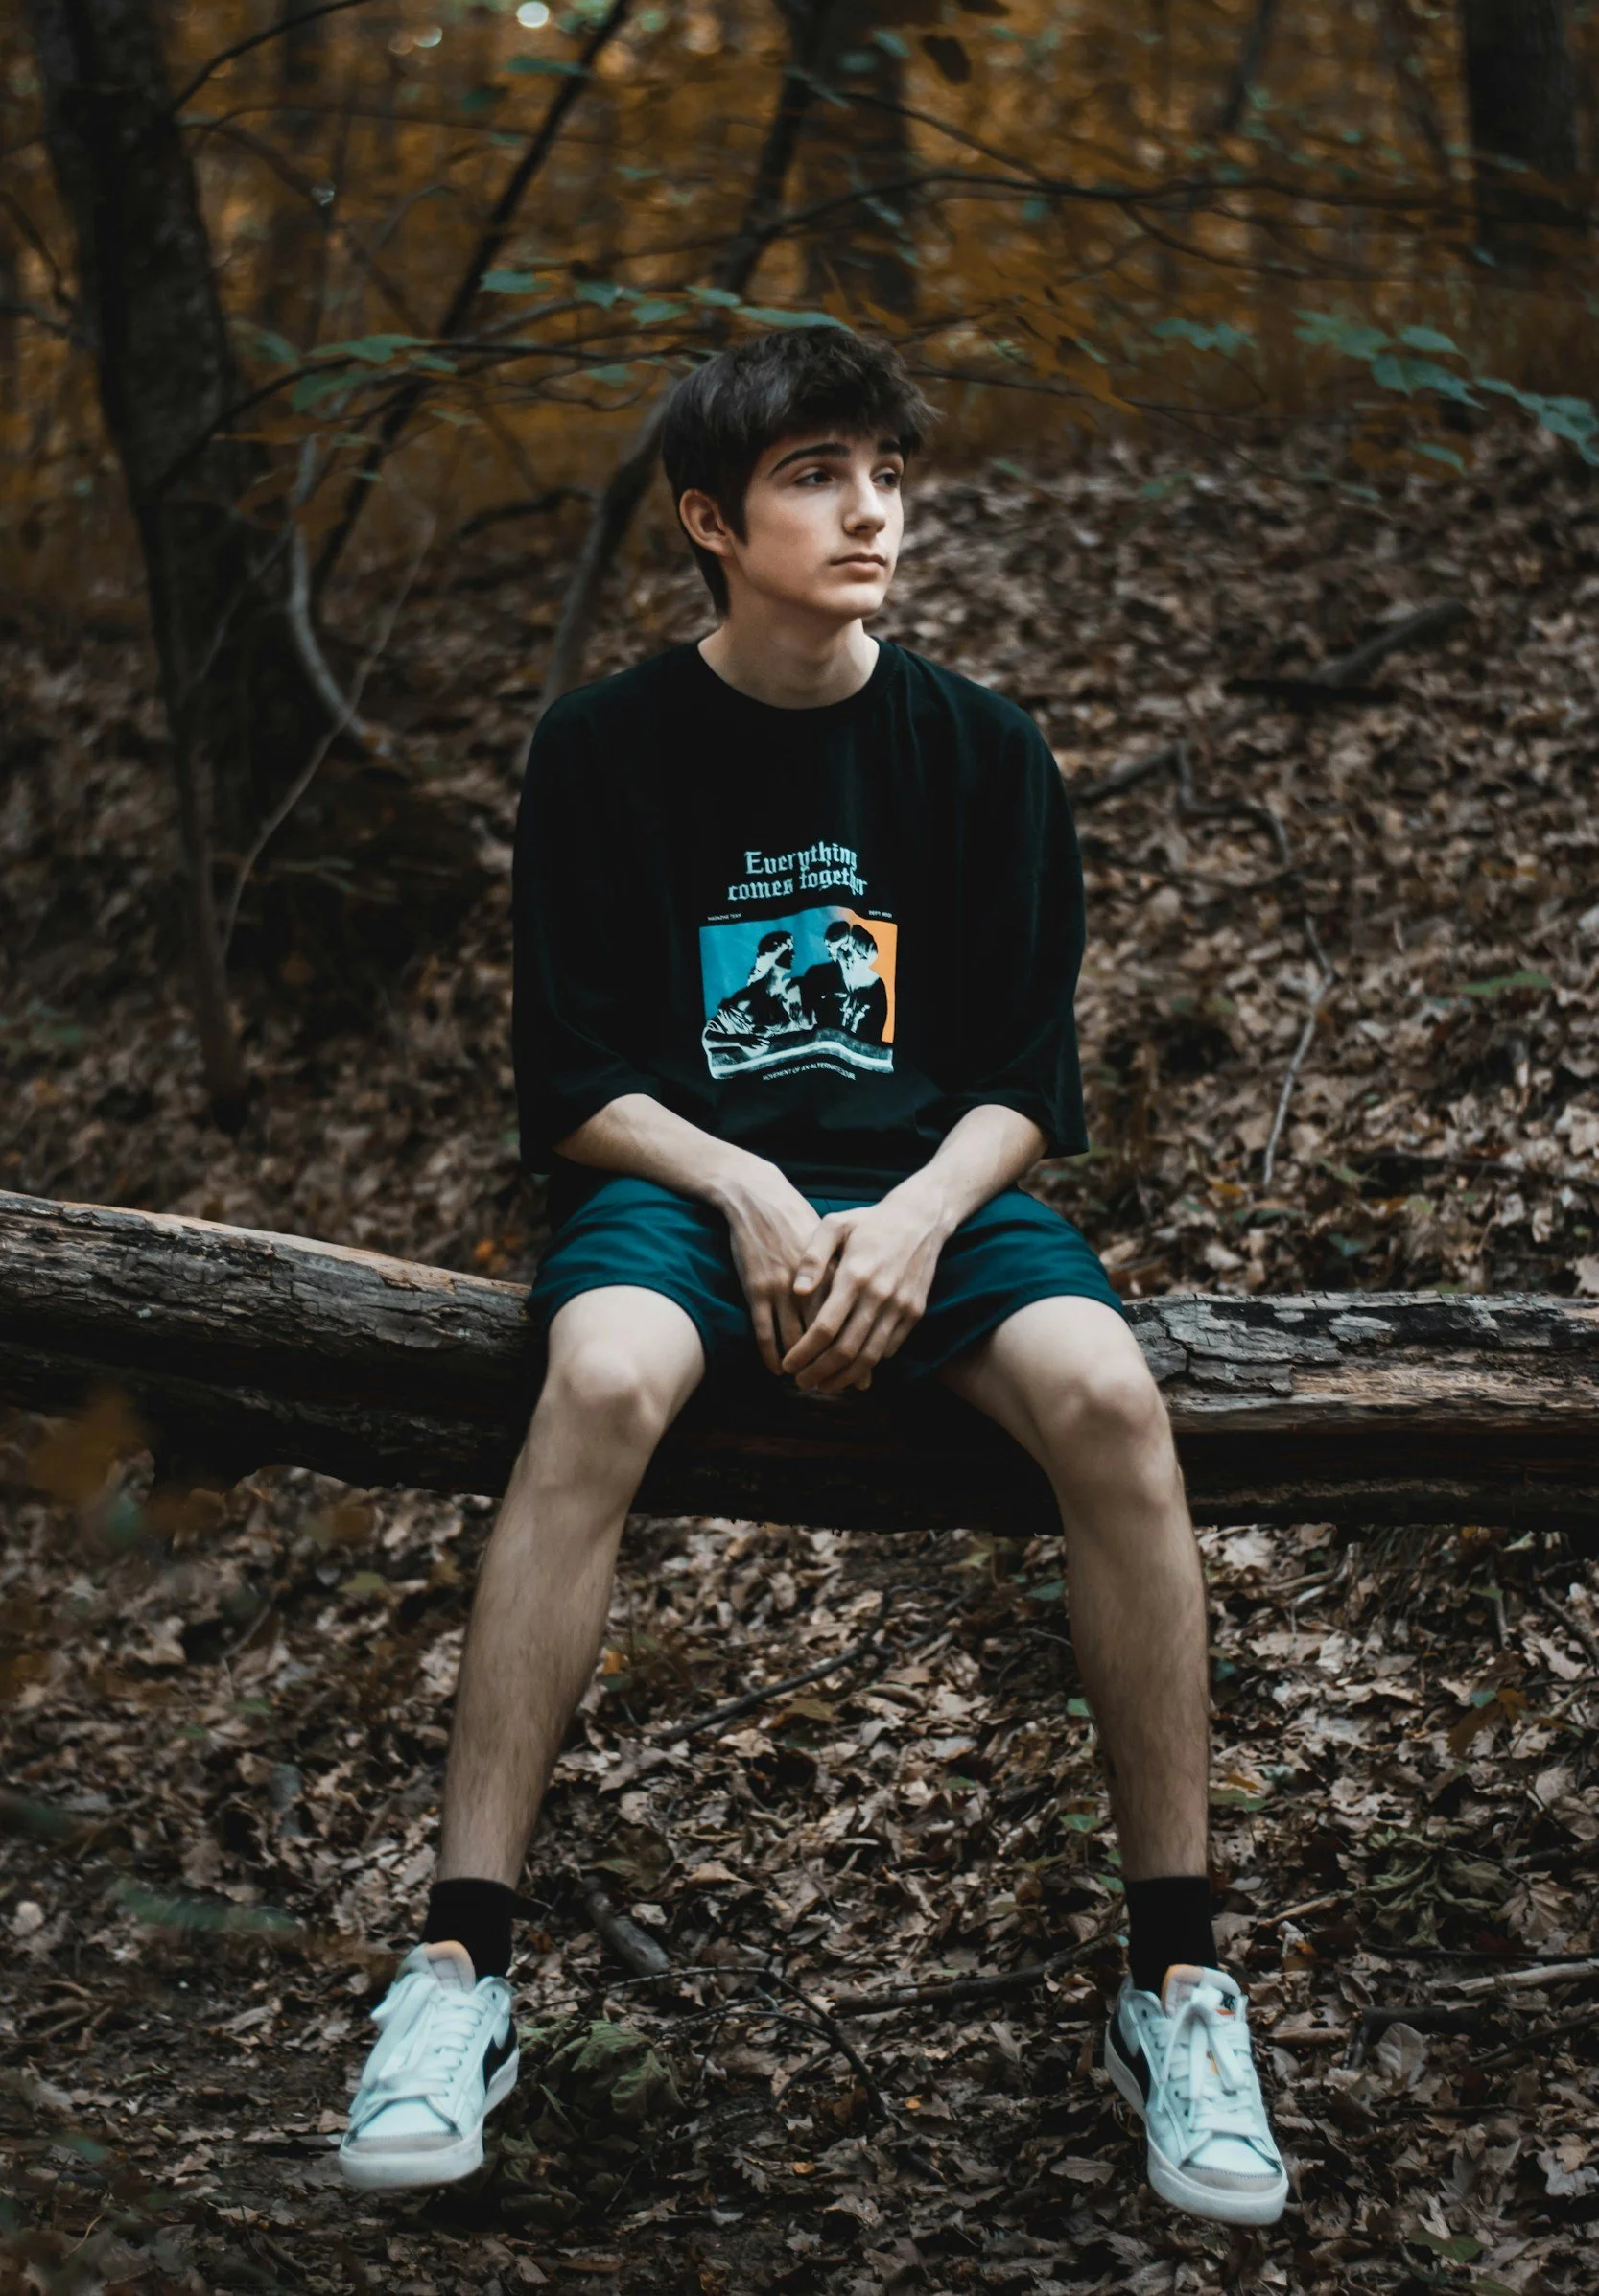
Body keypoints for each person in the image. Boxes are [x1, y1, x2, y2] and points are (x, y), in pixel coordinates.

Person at [337, 326, 1288, 2227]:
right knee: (596, 1376)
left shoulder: (978, 746)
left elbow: (1026, 1079)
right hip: (685, 1190)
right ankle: (455, 1968)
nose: (869, 510)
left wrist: (915, 1215)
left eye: (885, 472)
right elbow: (571, 1079)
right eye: (812, 474)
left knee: (1110, 1399)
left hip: (929, 1190)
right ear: (708, 518)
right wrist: (748, 1182)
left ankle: (1178, 1976)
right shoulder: (602, 747)